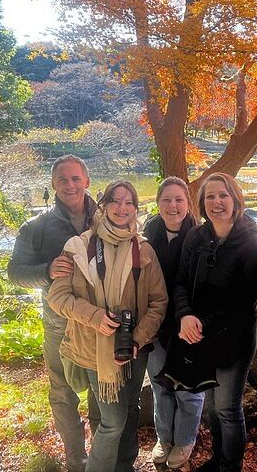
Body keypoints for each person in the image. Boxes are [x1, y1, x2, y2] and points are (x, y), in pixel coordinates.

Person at [47, 180, 168, 472]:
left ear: (136, 209)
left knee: (129, 409)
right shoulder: (78, 247)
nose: (122, 208)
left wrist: (137, 339)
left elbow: (158, 302)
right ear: (103, 206)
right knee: (112, 421)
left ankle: (124, 466)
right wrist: (95, 317)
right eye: (115, 201)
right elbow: (58, 297)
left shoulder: (144, 250)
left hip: (133, 348)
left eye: (129, 203)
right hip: (93, 348)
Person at [7, 155, 101, 472]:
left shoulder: (107, 218)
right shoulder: (36, 228)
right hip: (59, 324)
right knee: (63, 393)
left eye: (76, 178)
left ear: (87, 180)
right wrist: (47, 271)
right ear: (53, 184)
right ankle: (76, 459)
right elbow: (16, 273)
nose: (70, 185)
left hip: (100, 321)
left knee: (103, 390)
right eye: (62, 179)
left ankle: (102, 458)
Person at [174, 172, 257, 472]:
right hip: (199, 333)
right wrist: (185, 314)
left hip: (233, 337)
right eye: (210, 196)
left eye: (223, 195)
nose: (217, 202)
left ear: (235, 199)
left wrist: (201, 323)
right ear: (202, 202)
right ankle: (218, 458)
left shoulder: (249, 241)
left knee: (226, 406)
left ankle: (231, 465)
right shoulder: (196, 237)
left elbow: (243, 300)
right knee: (211, 405)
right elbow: (182, 283)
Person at [143, 177, 204, 469]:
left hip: (189, 323)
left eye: (179, 199)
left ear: (188, 203)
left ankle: (185, 440)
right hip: (155, 323)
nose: (173, 205)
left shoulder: (201, 235)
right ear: (158, 203)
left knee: (189, 389)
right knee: (160, 385)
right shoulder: (148, 232)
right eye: (167, 199)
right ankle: (164, 438)